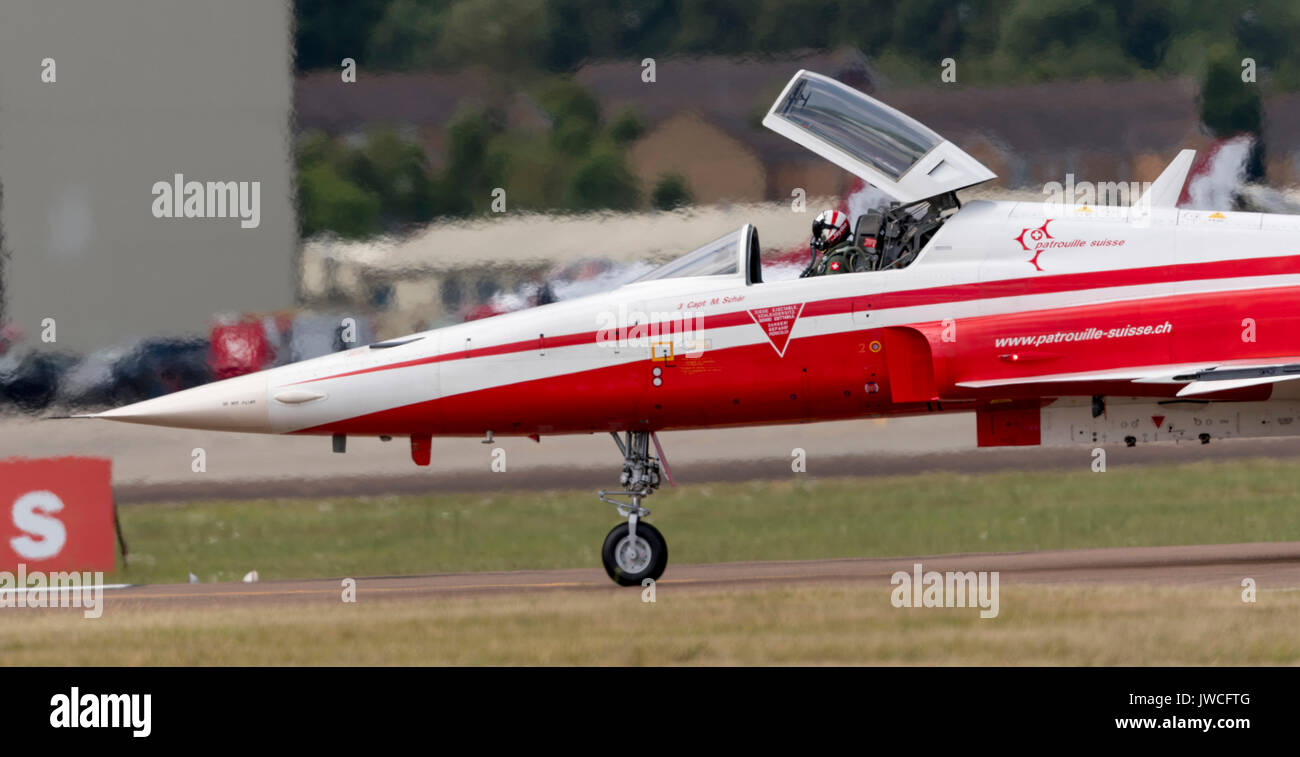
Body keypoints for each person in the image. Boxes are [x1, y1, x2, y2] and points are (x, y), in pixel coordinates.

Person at [801, 209, 862, 277]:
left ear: (834, 232)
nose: (818, 239)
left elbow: (832, 287)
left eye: (821, 234)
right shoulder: (833, 255)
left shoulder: (836, 260)